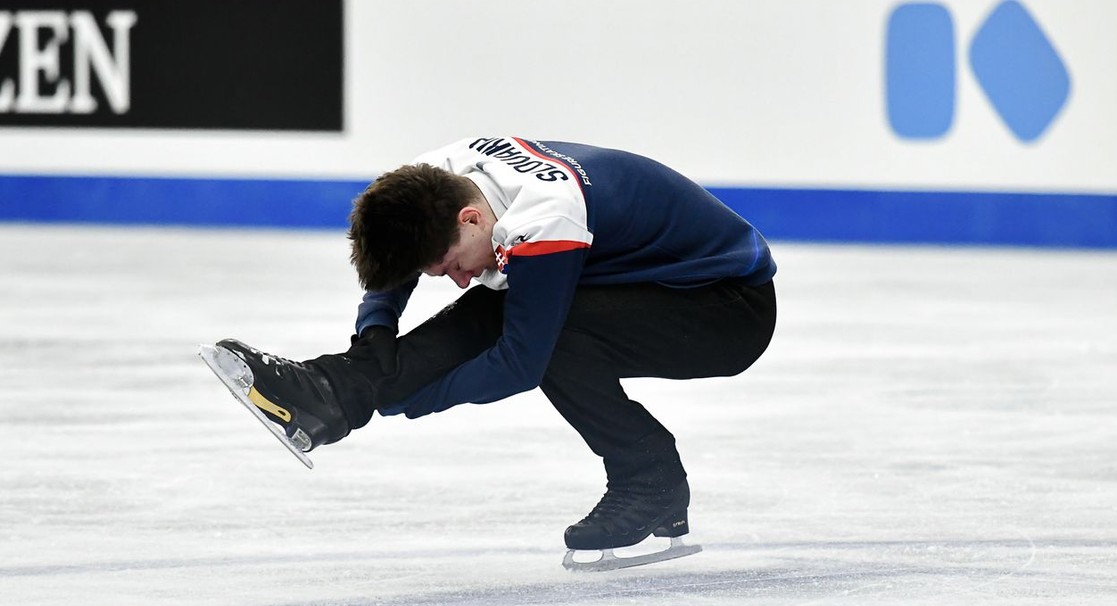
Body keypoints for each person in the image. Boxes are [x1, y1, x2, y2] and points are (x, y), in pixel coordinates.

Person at [207, 136, 777, 570]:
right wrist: (374, 333)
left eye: (451, 264)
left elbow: (521, 362)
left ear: (472, 218)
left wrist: (415, 397)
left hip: (725, 309)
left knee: (538, 324)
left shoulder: (544, 217)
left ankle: (650, 479)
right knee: (504, 300)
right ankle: (332, 393)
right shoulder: (438, 178)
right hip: (642, 282)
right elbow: (400, 256)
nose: (456, 280)